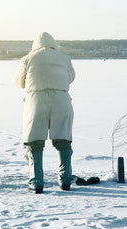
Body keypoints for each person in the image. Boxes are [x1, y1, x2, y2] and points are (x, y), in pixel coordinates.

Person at [14, 32, 75, 194]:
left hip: (36, 102)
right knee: (63, 141)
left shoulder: (27, 59)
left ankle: (37, 183)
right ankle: (66, 181)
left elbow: (19, 81)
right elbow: (71, 78)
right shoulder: (64, 58)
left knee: (35, 143)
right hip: (61, 101)